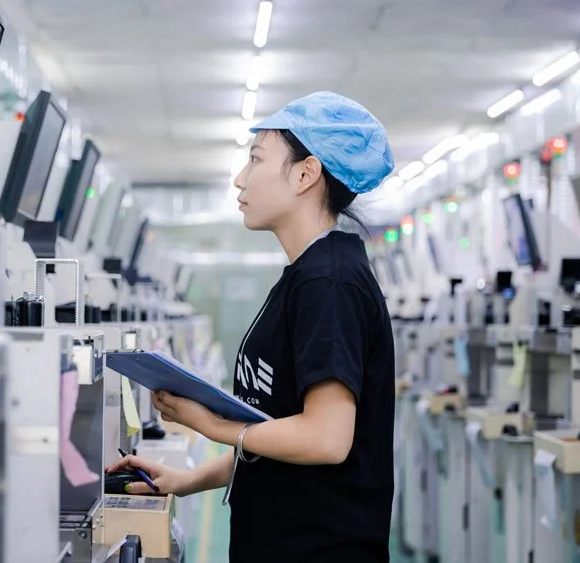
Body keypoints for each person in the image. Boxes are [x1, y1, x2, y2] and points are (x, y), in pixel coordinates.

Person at [107, 91, 396, 563]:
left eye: (256, 160)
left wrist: (211, 424)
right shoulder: (310, 274)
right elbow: (277, 429)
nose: (241, 179)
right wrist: (187, 479)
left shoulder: (329, 284)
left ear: (306, 174)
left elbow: (325, 439)